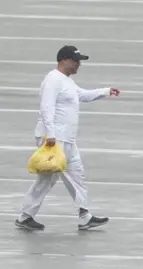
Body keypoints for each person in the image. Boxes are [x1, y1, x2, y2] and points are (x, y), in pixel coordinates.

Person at [15, 45, 120, 231]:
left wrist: (106, 91)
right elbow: (47, 108)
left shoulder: (67, 81)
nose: (78, 64)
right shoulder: (53, 80)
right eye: (75, 61)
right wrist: (51, 135)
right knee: (50, 178)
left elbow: (82, 96)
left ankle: (83, 216)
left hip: (67, 139)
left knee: (75, 175)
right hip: (54, 139)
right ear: (64, 60)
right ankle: (27, 216)